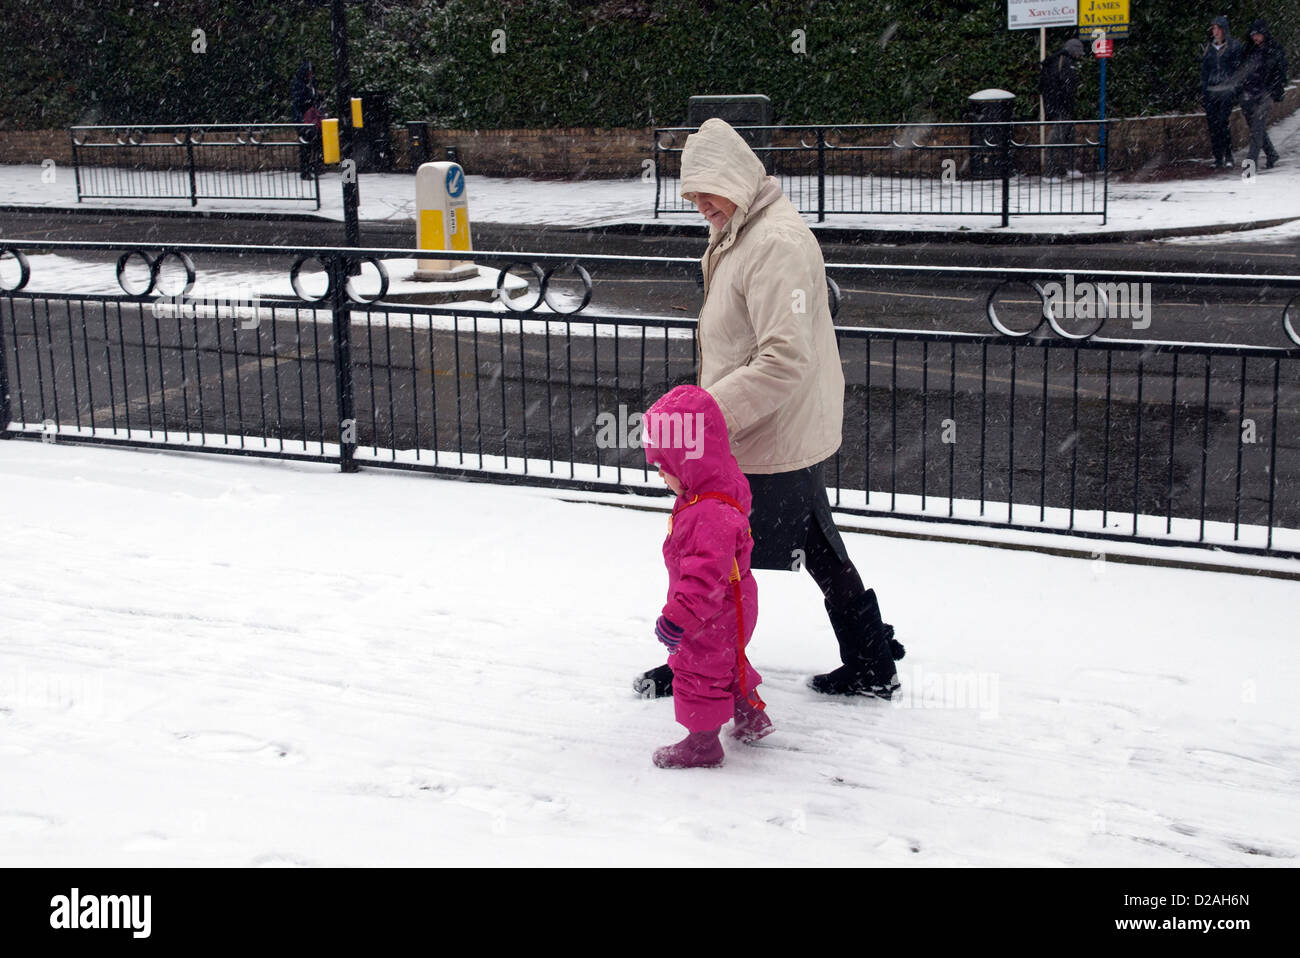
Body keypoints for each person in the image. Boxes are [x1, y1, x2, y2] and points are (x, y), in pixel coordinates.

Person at [632, 118, 904, 704]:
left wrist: (705, 415)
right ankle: (872, 658)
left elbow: (783, 358)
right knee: (814, 549)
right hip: (772, 430)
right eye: (691, 193)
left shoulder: (771, 242)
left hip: (765, 432)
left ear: (736, 177)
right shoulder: (743, 229)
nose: (699, 203)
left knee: (710, 551)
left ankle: (698, 668)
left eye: (708, 188)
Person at [642, 385, 769, 769]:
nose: (662, 475)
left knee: (697, 669)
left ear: (689, 460)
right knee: (729, 661)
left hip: (710, 612)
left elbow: (702, 577)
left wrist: (677, 619)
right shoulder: (717, 488)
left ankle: (702, 746)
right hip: (734, 604)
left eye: (666, 466)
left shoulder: (707, 512)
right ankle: (750, 718)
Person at [1237, 20, 1288, 170]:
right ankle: (1271, 153)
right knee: (1255, 127)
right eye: (1254, 35)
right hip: (1249, 93)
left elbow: (1281, 71)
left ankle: (1250, 166)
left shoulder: (1275, 49)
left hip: (1265, 93)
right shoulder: (1248, 50)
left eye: (1258, 35)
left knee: (1257, 129)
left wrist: (1274, 88)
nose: (1256, 38)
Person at [1040, 37, 1087, 178]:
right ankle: (1050, 173)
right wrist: (1064, 104)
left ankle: (1070, 168)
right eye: (1079, 53)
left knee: (1069, 136)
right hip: (1061, 106)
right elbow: (1063, 87)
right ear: (1073, 51)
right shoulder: (1063, 62)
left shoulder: (1062, 61)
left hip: (1060, 106)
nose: (1080, 56)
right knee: (1057, 138)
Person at [1201, 15, 1243, 168]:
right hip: (1212, 91)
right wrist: (1204, 90)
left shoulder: (1233, 47)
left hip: (1226, 91)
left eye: (1218, 28)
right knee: (1213, 125)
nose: (1215, 31)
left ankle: (1228, 155)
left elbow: (1237, 69)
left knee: (1222, 122)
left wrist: (1234, 88)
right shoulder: (1208, 48)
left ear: (1224, 30)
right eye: (1213, 28)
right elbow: (1204, 72)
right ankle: (1218, 157)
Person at [290, 60, 323, 179]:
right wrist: (312, 94)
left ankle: (314, 165)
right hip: (303, 119)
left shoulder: (310, 83)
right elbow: (300, 100)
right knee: (306, 146)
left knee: (316, 143)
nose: (311, 75)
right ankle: (305, 170)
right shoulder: (298, 84)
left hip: (312, 119)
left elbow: (315, 98)